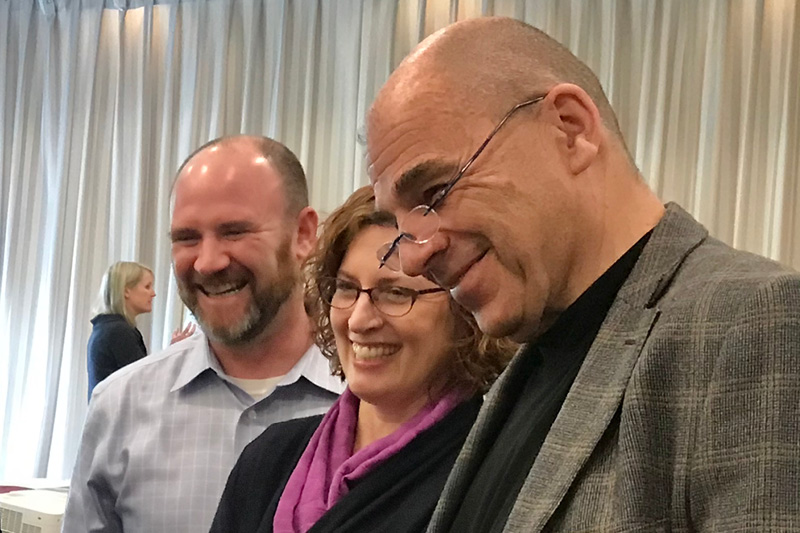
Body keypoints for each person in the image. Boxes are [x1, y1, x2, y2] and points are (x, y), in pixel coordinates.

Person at [367, 17, 800, 533]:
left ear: (570, 130)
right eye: (400, 226)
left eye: (436, 193)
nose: (414, 258)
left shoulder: (753, 326)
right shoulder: (526, 367)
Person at [62, 135, 345, 533]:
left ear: (303, 234)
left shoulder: (374, 403)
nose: (208, 262)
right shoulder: (119, 407)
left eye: (234, 231)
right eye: (187, 238)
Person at [210, 186, 514, 533]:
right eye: (347, 289)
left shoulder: (492, 470)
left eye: (395, 293)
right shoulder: (270, 459)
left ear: (464, 309)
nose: (358, 320)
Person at [87, 261, 155, 397]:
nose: (153, 294)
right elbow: (145, 384)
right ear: (126, 291)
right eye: (147, 287)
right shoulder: (118, 332)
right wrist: (173, 353)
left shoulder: (106, 328)